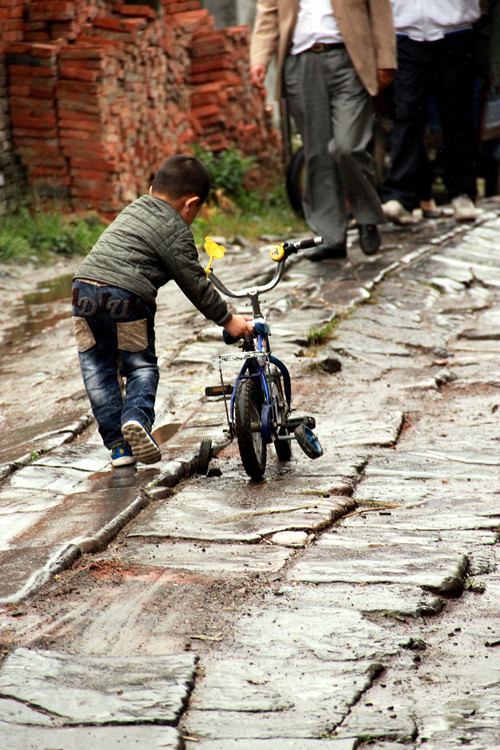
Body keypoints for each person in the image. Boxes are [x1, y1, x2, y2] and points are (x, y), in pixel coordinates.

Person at [72, 155, 253, 468]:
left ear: (152, 187)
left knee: (98, 368)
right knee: (139, 366)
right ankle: (137, 420)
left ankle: (119, 448)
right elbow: (194, 283)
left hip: (82, 290)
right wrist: (229, 320)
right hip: (126, 296)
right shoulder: (174, 229)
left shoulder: (134, 209)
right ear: (191, 204)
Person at [250, 0, 396, 261]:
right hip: (300, 62)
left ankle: (366, 216)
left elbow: (379, 9)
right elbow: (269, 12)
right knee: (317, 153)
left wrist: (385, 58)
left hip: (350, 58)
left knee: (346, 146)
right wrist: (259, 58)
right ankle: (330, 237)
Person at [381, 1, 481, 225]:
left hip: (453, 29)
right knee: (406, 114)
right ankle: (400, 196)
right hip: (403, 32)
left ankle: (462, 193)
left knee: (457, 115)